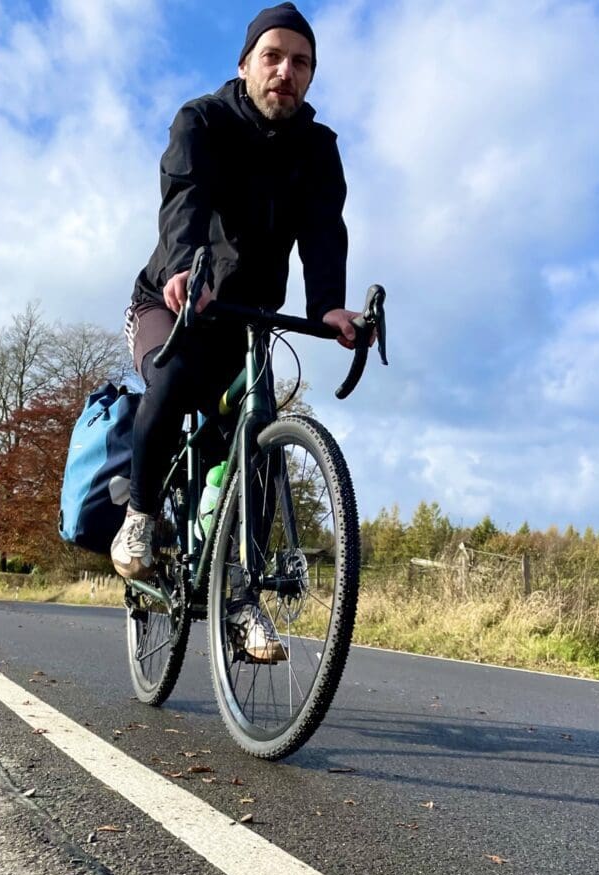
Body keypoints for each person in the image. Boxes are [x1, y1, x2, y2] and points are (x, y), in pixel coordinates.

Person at [111, 2, 360, 663]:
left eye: (300, 62)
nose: (286, 71)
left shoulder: (317, 146)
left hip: (249, 317)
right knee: (170, 380)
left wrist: (330, 306)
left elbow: (324, 231)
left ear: (310, 76)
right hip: (175, 298)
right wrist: (189, 268)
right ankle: (138, 518)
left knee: (257, 445)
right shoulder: (202, 120)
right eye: (272, 57)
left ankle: (237, 595)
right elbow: (184, 201)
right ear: (245, 64)